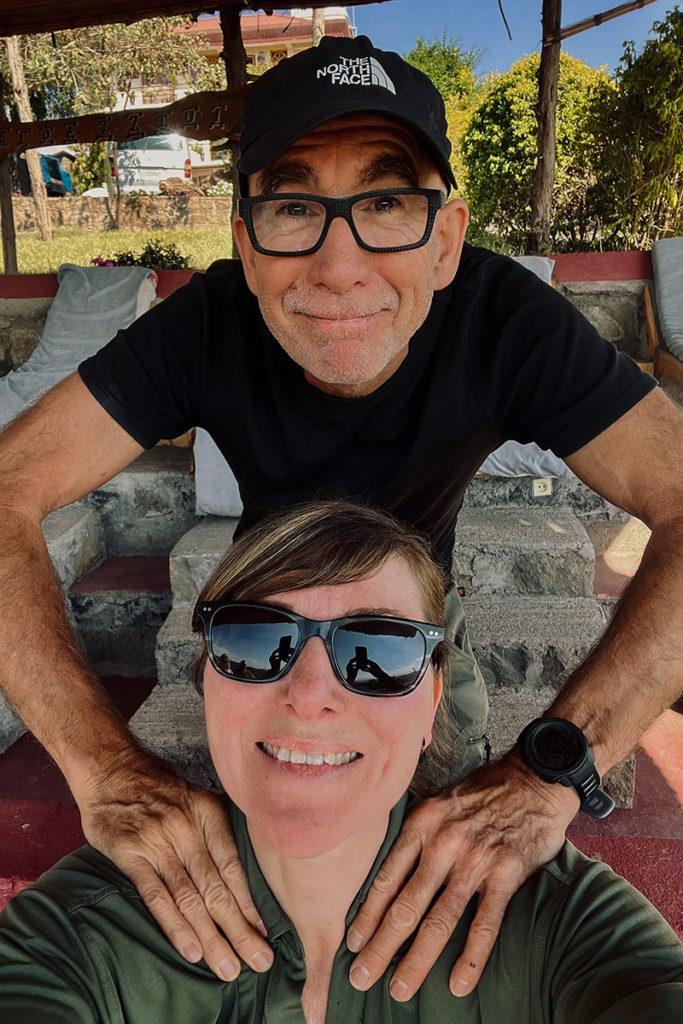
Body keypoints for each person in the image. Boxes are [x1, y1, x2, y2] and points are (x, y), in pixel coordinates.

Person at [0, 32, 682, 1000]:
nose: (336, 265)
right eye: (291, 206)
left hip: (418, 623)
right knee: (247, 854)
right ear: (244, 242)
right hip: (253, 621)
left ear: (445, 239)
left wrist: (550, 772)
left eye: (386, 203)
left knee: (451, 858)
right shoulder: (209, 321)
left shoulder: (501, 319)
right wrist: (101, 766)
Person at [0, 501, 681, 1023]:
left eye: (380, 649)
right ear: (207, 677)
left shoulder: (558, 921)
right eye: (254, 639)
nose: (308, 696)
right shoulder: (77, 931)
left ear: (433, 701)